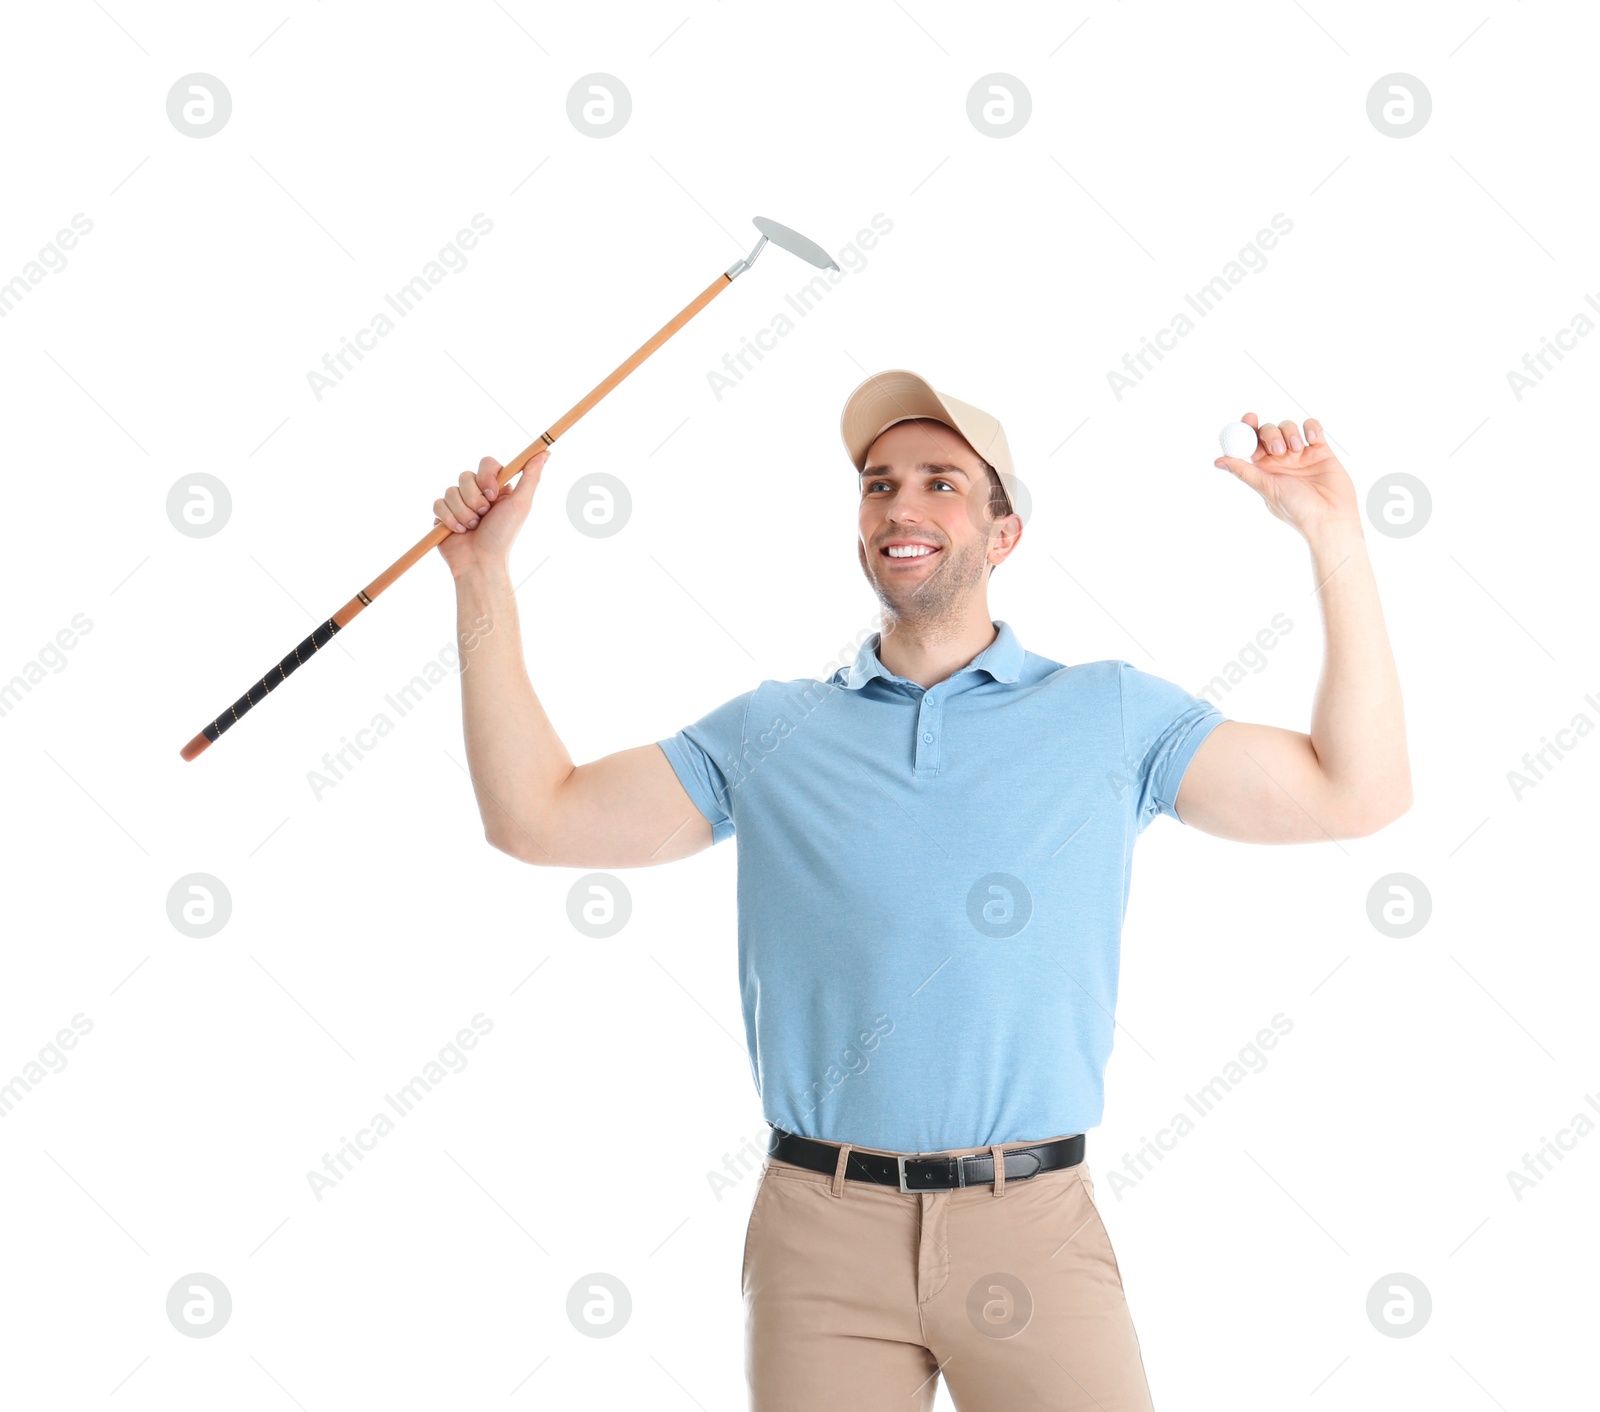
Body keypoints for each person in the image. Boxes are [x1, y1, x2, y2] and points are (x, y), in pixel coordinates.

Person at [432, 369, 1411, 1411]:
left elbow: (1359, 792)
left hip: (1030, 1223)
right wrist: (482, 578)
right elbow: (533, 816)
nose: (901, 505)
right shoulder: (773, 730)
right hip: (821, 1232)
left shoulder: (1110, 715)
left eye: (943, 482)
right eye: (877, 483)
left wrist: (1331, 533)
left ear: (1004, 533)